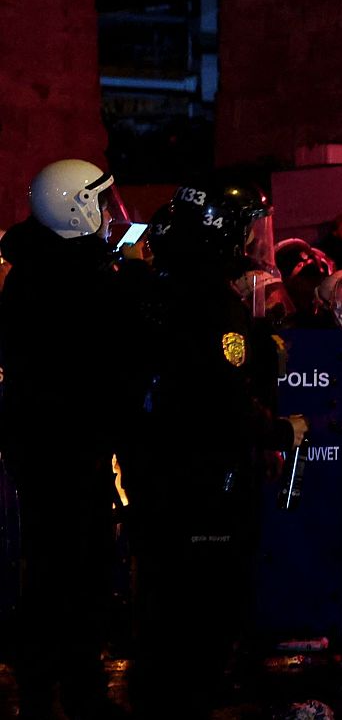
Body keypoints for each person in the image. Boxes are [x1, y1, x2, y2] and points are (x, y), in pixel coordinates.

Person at [121, 178, 297, 720]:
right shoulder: (211, 301)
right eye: (246, 231)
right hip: (205, 483)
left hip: (155, 475)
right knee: (204, 610)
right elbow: (219, 397)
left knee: (160, 602)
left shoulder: (154, 286)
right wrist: (280, 430)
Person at [0, 159, 125, 720]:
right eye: (98, 201)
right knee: (68, 565)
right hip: (63, 440)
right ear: (75, 207)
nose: (107, 214)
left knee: (65, 561)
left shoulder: (43, 263)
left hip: (54, 436)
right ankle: (63, 681)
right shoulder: (69, 275)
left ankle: (59, 675)